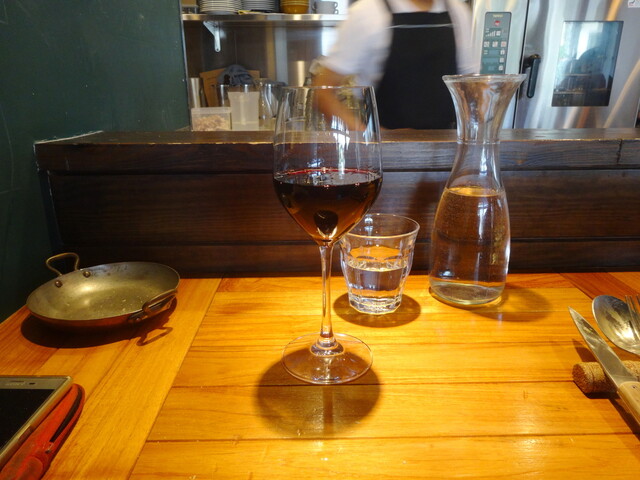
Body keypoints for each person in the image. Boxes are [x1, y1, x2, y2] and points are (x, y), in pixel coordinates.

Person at [312, 0, 477, 129]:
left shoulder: (458, 12)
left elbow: (473, 88)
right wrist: (367, 138)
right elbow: (323, 93)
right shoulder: (367, 12)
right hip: (388, 152)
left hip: (449, 148)